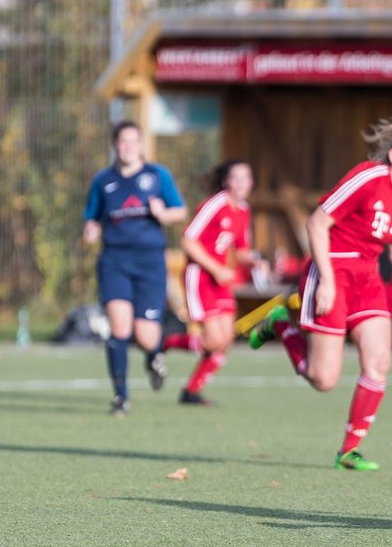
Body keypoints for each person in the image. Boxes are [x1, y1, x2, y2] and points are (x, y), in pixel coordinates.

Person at [249, 109, 392, 471]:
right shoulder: (367, 177)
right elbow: (316, 223)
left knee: (379, 361)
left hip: (367, 278)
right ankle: (279, 324)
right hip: (331, 269)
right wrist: (326, 279)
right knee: (323, 379)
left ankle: (348, 451)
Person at [82, 120, 187, 414]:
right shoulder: (103, 180)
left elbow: (180, 211)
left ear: (141, 145)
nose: (128, 147)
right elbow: (91, 216)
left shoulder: (157, 176)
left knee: (145, 335)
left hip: (150, 263)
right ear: (115, 146)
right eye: (122, 142)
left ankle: (153, 356)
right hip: (114, 261)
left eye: (133, 142)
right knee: (119, 328)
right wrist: (90, 229)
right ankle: (121, 397)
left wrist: (163, 214)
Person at [161, 159, 261, 405]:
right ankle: (165, 342)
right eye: (235, 178)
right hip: (201, 277)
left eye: (245, 178)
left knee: (226, 340)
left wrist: (258, 261)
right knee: (214, 340)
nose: (240, 184)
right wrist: (216, 268)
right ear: (226, 181)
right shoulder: (215, 204)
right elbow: (188, 241)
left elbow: (239, 252)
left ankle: (192, 391)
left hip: (219, 278)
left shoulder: (244, 211)